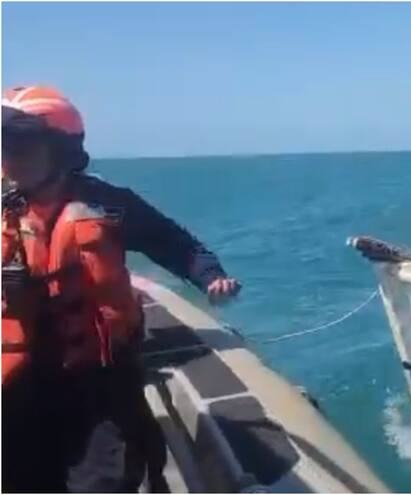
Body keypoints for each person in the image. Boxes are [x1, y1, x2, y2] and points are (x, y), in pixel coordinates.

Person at [1, 85, 241, 492]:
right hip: (20, 383)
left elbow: (173, 242)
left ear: (60, 150)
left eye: (22, 145)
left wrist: (209, 276)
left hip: (100, 383)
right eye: (3, 145)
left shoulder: (108, 205)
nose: (9, 157)